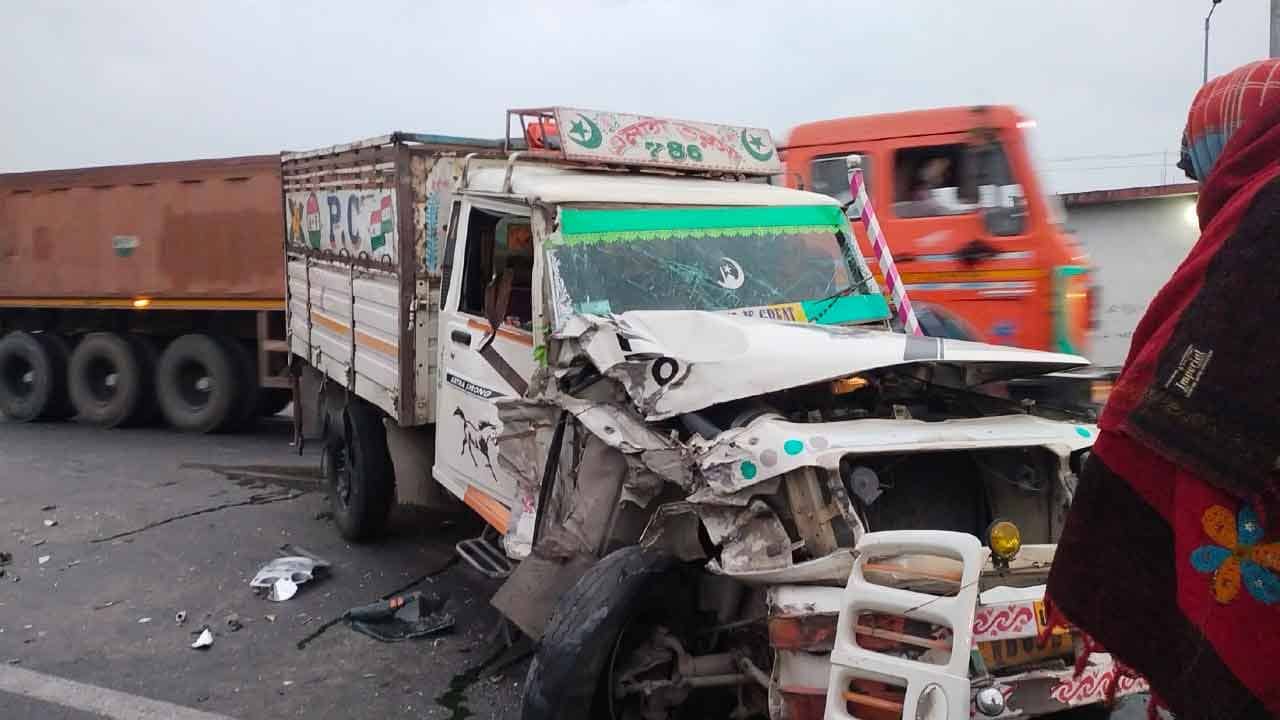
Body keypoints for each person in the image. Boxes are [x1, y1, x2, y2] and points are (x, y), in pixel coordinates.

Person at [1046, 59, 1280, 720]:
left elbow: (1181, 397)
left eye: (1195, 159)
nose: (1196, 178)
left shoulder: (1262, 223)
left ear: (1234, 141)